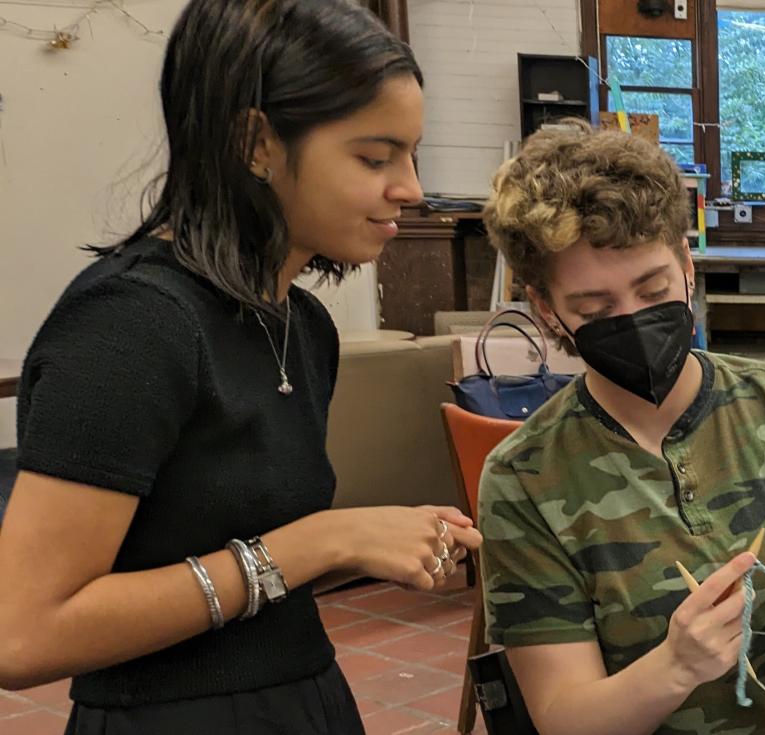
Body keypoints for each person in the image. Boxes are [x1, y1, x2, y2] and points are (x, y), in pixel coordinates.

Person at [0, 1, 482, 732]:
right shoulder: (132, 323)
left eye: (411, 155)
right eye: (375, 158)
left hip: (301, 697)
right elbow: (24, 632)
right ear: (256, 142)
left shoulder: (302, 325)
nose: (411, 188)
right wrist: (324, 541)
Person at [476, 125, 765, 735]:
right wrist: (674, 668)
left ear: (685, 262)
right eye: (595, 310)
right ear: (546, 309)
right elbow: (563, 718)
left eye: (652, 289)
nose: (632, 320)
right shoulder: (524, 478)